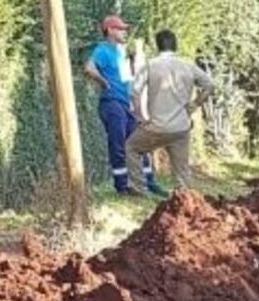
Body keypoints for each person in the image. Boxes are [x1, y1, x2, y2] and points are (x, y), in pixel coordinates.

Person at [126, 29, 214, 195]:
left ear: (157, 45)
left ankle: (138, 188)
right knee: (181, 167)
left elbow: (134, 92)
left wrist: (140, 116)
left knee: (131, 147)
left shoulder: (151, 65)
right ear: (176, 45)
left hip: (156, 127)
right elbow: (209, 86)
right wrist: (194, 105)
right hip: (181, 127)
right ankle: (184, 196)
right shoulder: (188, 65)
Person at [83, 15, 164, 196]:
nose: (124, 32)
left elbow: (128, 79)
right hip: (112, 104)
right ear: (110, 30)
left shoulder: (121, 52)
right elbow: (89, 68)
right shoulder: (103, 50)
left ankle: (148, 182)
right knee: (118, 145)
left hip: (125, 104)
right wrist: (103, 81)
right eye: (120, 29)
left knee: (138, 143)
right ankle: (122, 186)